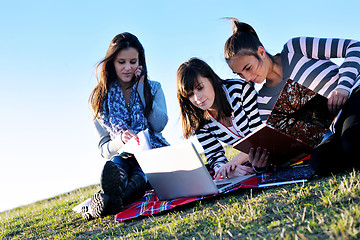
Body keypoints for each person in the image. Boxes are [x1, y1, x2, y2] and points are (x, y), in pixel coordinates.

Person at [223, 18, 360, 175]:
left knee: (352, 139)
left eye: (248, 68)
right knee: (320, 161)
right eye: (239, 74)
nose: (246, 77)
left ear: (261, 52)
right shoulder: (264, 102)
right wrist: (261, 165)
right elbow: (285, 150)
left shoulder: (294, 48)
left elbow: (354, 46)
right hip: (335, 125)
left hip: (354, 92)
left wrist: (343, 87)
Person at [82, 32, 169, 220]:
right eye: (122, 62)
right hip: (121, 156)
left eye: (133, 61)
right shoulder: (98, 99)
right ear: (112, 62)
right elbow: (104, 149)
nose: (128, 68)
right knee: (117, 166)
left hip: (151, 153)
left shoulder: (153, 87)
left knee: (141, 171)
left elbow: (159, 125)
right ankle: (118, 193)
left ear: (141, 61)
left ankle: (109, 201)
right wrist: (120, 140)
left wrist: (141, 89)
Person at [176, 57, 263, 181]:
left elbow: (261, 137)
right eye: (190, 94)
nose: (197, 98)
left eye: (200, 88)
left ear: (211, 79)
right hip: (257, 160)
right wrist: (228, 171)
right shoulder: (200, 120)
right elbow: (215, 157)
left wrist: (233, 162)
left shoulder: (239, 90)